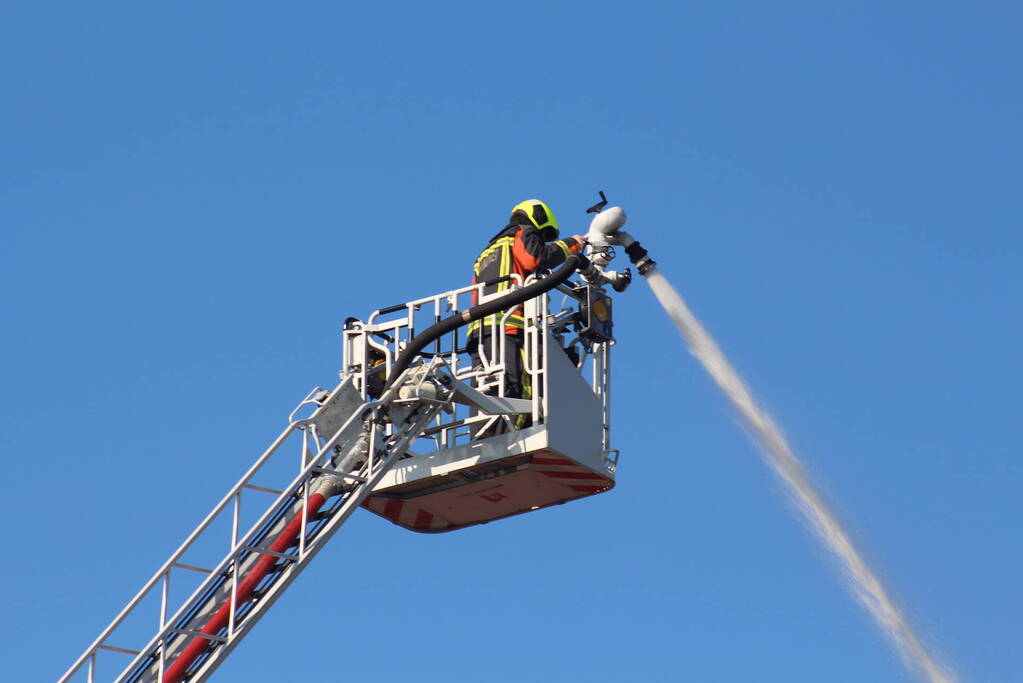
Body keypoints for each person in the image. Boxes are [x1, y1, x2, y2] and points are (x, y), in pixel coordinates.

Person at [466, 199, 587, 420]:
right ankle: (512, 439)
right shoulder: (523, 232)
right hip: (509, 330)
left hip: (482, 334)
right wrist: (573, 244)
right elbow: (535, 258)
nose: (541, 240)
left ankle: (485, 439)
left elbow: (476, 295)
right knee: (513, 389)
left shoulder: (486, 252)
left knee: (485, 392)